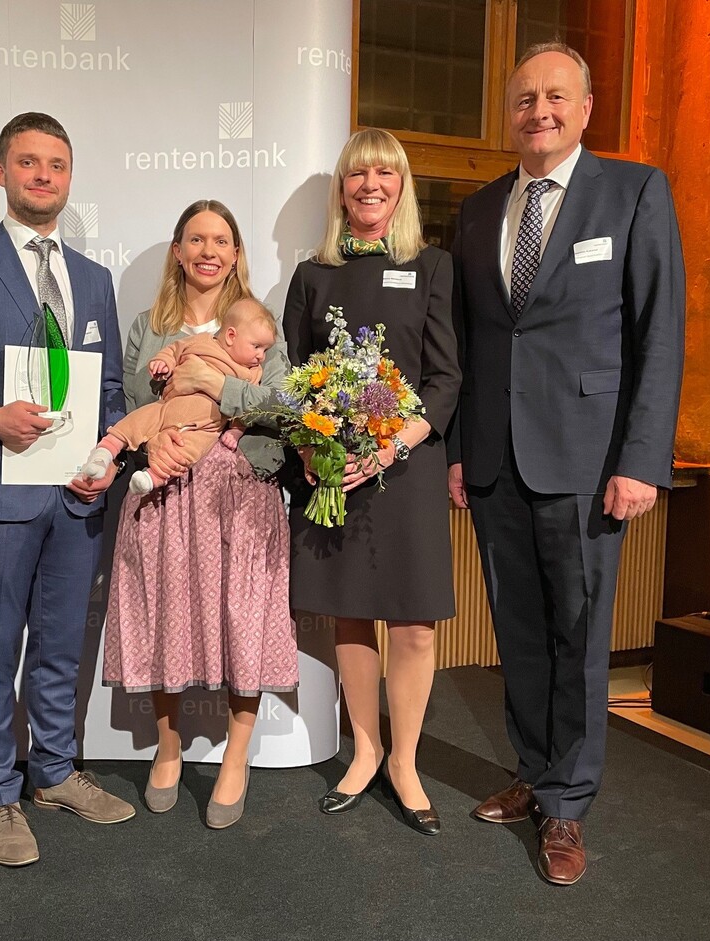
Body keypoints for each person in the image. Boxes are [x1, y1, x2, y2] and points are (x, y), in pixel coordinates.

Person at [447, 43, 685, 884]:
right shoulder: (477, 214)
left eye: (555, 96)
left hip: (590, 464)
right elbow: (474, 345)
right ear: (508, 114)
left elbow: (660, 337)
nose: (538, 110)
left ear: (586, 109)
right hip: (497, 462)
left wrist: (642, 459)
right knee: (519, 631)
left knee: (579, 637)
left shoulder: (634, 192)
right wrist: (460, 450)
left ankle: (570, 805)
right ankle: (536, 770)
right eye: (523, 98)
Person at [0, 112, 132, 869]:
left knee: (60, 647)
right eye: (28, 162)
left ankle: (54, 771)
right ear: (0, 172)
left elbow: (109, 385)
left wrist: (111, 447)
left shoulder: (94, 278)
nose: (43, 175)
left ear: (69, 177)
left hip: (77, 497)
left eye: (56, 164)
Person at [283, 129, 460, 835]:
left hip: (406, 470)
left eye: (385, 173)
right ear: (343, 187)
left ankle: (405, 762)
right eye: (358, 174)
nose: (370, 185)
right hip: (336, 473)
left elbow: (446, 379)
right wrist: (313, 443)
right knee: (351, 613)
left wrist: (392, 447)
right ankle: (365, 748)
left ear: (402, 185)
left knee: (413, 623)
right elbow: (295, 377)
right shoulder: (312, 275)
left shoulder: (433, 266)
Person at [103, 199, 298, 830]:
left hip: (243, 491)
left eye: (221, 240)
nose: (208, 251)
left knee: (244, 618)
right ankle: (168, 747)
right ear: (179, 251)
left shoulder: (261, 325)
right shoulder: (147, 327)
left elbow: (282, 409)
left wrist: (220, 388)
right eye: (196, 239)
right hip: (166, 494)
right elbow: (132, 400)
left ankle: (236, 758)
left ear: (236, 253)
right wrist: (148, 440)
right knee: (168, 615)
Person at [82, 297, 276, 495]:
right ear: (231, 336)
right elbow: (175, 350)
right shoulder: (203, 342)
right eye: (256, 347)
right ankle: (105, 451)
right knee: (137, 421)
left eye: (265, 350)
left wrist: (236, 431)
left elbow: (251, 409)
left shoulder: (253, 372)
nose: (261, 356)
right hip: (168, 407)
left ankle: (152, 478)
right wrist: (163, 363)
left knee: (188, 451)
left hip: (204, 427)